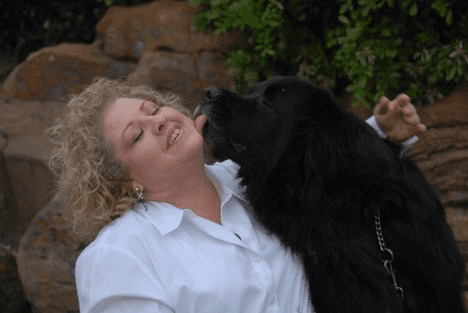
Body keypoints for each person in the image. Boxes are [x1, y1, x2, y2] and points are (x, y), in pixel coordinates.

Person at [46, 77, 426, 313]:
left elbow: (318, 159)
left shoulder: (250, 180)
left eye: (154, 108)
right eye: (137, 135)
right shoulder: (120, 256)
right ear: (124, 181)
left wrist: (381, 130)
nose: (159, 120)